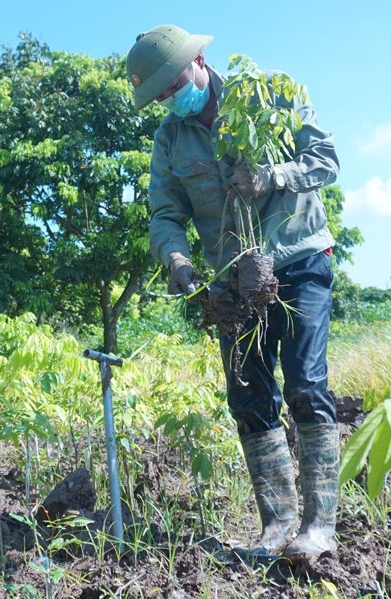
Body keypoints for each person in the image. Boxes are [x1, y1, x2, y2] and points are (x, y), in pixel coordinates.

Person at [126, 24, 341, 559]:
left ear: (199, 60)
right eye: (161, 96)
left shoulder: (270, 96)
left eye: (176, 85)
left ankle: (320, 526)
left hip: (298, 258)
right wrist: (176, 257)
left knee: (307, 384)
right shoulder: (170, 139)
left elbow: (327, 163)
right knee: (247, 395)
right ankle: (277, 525)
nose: (173, 100)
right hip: (231, 277)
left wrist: (272, 177)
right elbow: (164, 214)